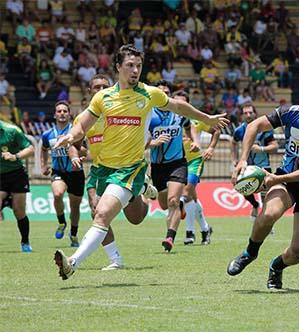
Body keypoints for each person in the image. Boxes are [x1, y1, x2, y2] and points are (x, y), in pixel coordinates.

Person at [53, 44, 229, 280]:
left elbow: (177, 105)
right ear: (118, 67)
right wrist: (70, 137)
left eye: (139, 66)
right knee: (133, 217)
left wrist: (206, 117)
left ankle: (72, 262)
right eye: (130, 66)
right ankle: (144, 190)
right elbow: (82, 124)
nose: (135, 70)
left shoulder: (149, 93)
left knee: (102, 213)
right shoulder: (103, 97)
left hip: (129, 168)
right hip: (103, 168)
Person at [227, 75, 299, 289]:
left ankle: (277, 266)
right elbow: (253, 126)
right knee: (270, 213)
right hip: (287, 180)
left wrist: (274, 178)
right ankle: (249, 253)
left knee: (298, 253)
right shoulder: (293, 113)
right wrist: (243, 159)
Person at [73, 74, 159, 270]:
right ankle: (115, 259)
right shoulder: (83, 118)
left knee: (135, 219)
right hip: (98, 171)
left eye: (105, 86)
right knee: (97, 211)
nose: (101, 89)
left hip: (125, 169)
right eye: (97, 87)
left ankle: (142, 188)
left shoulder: (122, 109)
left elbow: (144, 136)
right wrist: (74, 155)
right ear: (90, 92)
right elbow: (75, 142)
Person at [148, 86, 192, 252]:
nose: (163, 95)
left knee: (172, 201)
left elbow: (189, 125)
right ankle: (179, 206)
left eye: (166, 93)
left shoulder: (179, 113)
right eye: (160, 93)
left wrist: (193, 139)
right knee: (165, 204)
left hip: (178, 163)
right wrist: (154, 143)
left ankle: (170, 238)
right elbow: (140, 142)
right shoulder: (149, 115)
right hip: (157, 166)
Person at [41, 101, 84, 248]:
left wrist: (78, 154)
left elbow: (84, 149)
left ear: (69, 114)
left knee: (75, 207)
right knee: (58, 194)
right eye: (59, 111)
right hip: (58, 171)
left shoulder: (76, 132)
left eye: (65, 111)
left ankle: (73, 234)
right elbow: (43, 149)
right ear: (55, 114)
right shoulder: (48, 134)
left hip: (76, 172)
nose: (62, 113)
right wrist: (44, 165)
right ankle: (61, 222)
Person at [180, 96, 221, 246]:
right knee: (192, 198)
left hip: (195, 161)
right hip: (178, 163)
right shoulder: (170, 120)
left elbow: (216, 131)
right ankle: (205, 229)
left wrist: (210, 148)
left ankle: (190, 233)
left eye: (183, 101)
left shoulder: (196, 119)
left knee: (185, 193)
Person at [232, 104, 278, 222]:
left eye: (250, 112)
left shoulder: (264, 130)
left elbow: (275, 146)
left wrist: (261, 149)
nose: (248, 115)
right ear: (242, 115)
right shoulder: (239, 130)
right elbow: (233, 142)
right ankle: (255, 205)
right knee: (242, 189)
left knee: (265, 196)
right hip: (246, 168)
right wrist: (234, 159)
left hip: (263, 167)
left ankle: (265, 221)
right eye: (245, 113)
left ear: (255, 114)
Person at [0, 120, 35, 252]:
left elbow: (30, 149)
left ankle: (25, 242)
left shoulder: (12, 131)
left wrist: (15, 156)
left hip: (16, 175)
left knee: (19, 211)